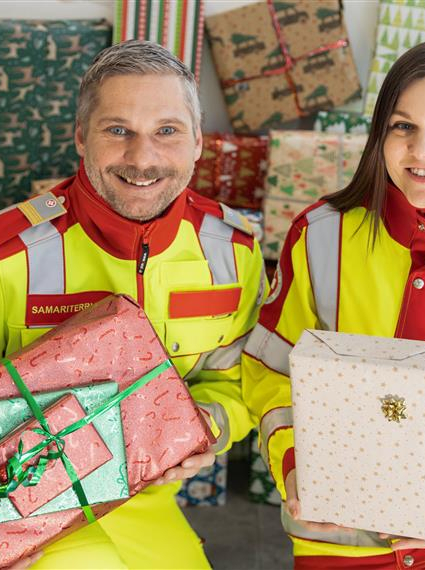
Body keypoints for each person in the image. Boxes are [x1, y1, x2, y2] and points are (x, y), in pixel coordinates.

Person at [242, 38, 425, 569]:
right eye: (402, 126)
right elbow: (271, 374)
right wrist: (297, 469)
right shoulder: (320, 237)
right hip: (341, 520)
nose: (421, 149)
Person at [1, 40, 266, 569]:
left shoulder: (234, 252)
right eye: (117, 130)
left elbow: (239, 378)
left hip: (149, 508)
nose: (142, 159)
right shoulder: (10, 253)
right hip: (21, 511)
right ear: (81, 137)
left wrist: (210, 421)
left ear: (198, 143)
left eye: (166, 131)